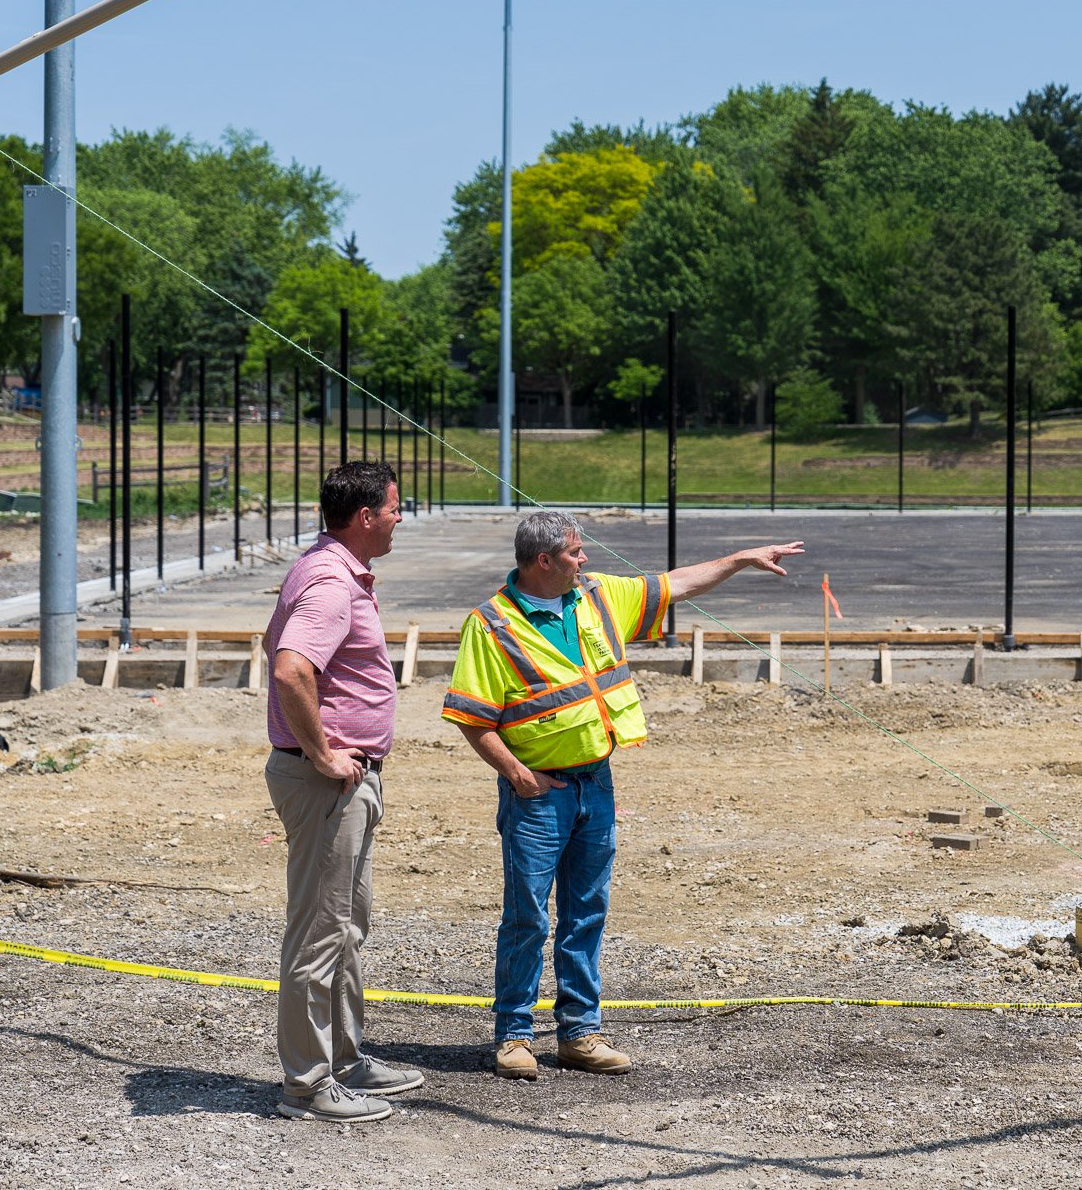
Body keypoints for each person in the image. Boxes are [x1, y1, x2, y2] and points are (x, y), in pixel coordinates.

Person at [442, 511, 803, 1081]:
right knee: (528, 917)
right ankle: (514, 1036)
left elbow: (675, 583)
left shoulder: (594, 596)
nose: (586, 560)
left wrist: (739, 561)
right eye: (576, 552)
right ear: (544, 561)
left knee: (586, 911)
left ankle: (579, 1034)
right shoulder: (491, 626)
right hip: (538, 793)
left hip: (596, 783)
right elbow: (471, 717)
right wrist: (518, 775)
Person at [264, 461, 423, 1123]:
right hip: (326, 780)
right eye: (393, 507)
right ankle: (307, 1085)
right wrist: (324, 751)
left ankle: (346, 1057)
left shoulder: (324, 568)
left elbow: (272, 645)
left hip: (340, 780)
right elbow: (290, 667)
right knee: (320, 933)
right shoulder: (331, 581)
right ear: (365, 517)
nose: (398, 517)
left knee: (347, 924)